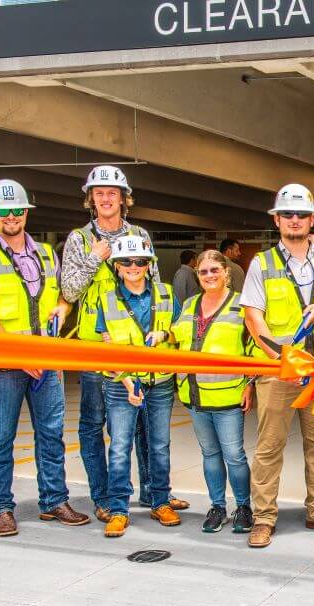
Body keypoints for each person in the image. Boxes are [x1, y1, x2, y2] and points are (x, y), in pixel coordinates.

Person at [60, 165, 187, 522]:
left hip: (141, 346)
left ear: (124, 198)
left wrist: (162, 334)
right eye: (98, 193)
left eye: (112, 193)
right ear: (90, 199)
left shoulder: (139, 233)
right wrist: (94, 258)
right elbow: (69, 290)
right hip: (97, 345)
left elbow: (157, 285)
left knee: (147, 424)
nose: (105, 199)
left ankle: (153, 493)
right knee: (96, 423)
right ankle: (103, 497)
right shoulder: (79, 239)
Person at [0, 180, 89, 536]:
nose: (11, 216)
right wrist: (19, 356)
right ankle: (1, 507)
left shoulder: (48, 254)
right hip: (5, 365)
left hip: (46, 360)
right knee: (1, 436)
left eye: (17, 209)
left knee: (51, 434)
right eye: (3, 210)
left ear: (26, 213)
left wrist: (63, 310)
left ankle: (54, 501)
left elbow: (66, 296)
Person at [241, 183, 314, 548]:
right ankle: (263, 518)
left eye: (302, 215)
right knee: (268, 447)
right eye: (287, 214)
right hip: (279, 372)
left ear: (312, 220)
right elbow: (253, 318)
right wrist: (280, 359)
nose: (295, 220)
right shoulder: (262, 264)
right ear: (277, 220)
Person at [96, 235, 181, 538]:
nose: (133, 267)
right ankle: (119, 509)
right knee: (119, 448)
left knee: (159, 446)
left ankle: (160, 501)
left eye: (140, 261)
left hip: (159, 382)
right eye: (126, 262)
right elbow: (107, 346)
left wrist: (165, 336)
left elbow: (179, 333)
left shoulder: (167, 294)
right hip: (122, 384)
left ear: (149, 265)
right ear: (116, 266)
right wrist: (130, 383)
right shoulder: (106, 299)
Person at [173, 250, 254, 534]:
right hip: (194, 395)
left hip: (228, 394)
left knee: (234, 455)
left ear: (226, 272)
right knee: (209, 454)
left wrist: (250, 382)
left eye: (214, 270)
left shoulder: (240, 305)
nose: (209, 276)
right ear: (198, 275)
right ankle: (217, 506)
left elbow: (253, 346)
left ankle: (243, 507)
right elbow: (177, 338)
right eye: (204, 271)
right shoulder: (189, 304)